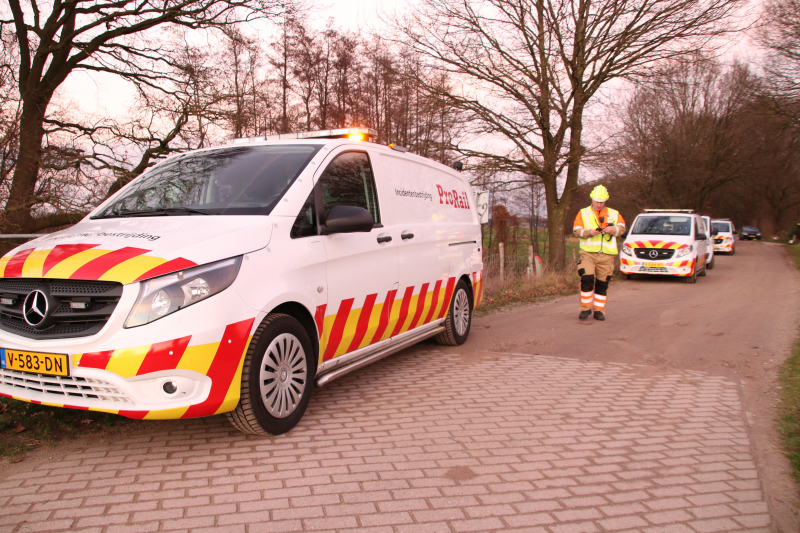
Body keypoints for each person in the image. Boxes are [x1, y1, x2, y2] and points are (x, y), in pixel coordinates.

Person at [572, 185, 626, 321]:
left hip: (607, 255)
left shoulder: (614, 213)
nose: (599, 204)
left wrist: (612, 230)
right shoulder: (583, 213)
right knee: (587, 279)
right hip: (588, 253)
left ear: (605, 200)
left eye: (602, 202)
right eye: (597, 201)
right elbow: (576, 231)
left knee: (603, 284)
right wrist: (589, 232)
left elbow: (622, 229)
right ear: (592, 199)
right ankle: (585, 309)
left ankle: (599, 311)